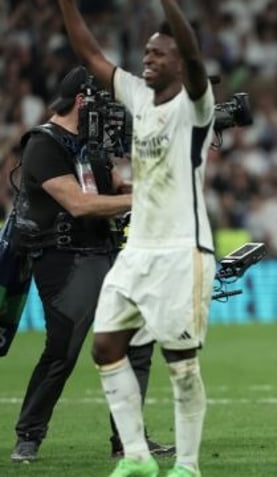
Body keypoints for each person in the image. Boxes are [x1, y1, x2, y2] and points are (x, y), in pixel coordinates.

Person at [46, 0, 217, 477]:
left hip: (182, 252)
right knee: (105, 346)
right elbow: (92, 56)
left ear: (177, 63)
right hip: (138, 250)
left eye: (156, 54)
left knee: (181, 368)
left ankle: (186, 465)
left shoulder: (196, 103)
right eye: (145, 52)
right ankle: (138, 457)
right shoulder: (138, 97)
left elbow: (191, 57)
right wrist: (67, 1)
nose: (147, 59)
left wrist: (169, 1)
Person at [9, 67, 173, 463]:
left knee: (137, 340)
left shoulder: (91, 145)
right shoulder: (44, 146)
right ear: (81, 102)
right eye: (101, 102)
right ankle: (28, 436)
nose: (110, 112)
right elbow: (80, 204)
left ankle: (127, 440)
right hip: (64, 260)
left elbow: (115, 188)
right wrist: (143, 199)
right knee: (63, 351)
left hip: (106, 252)